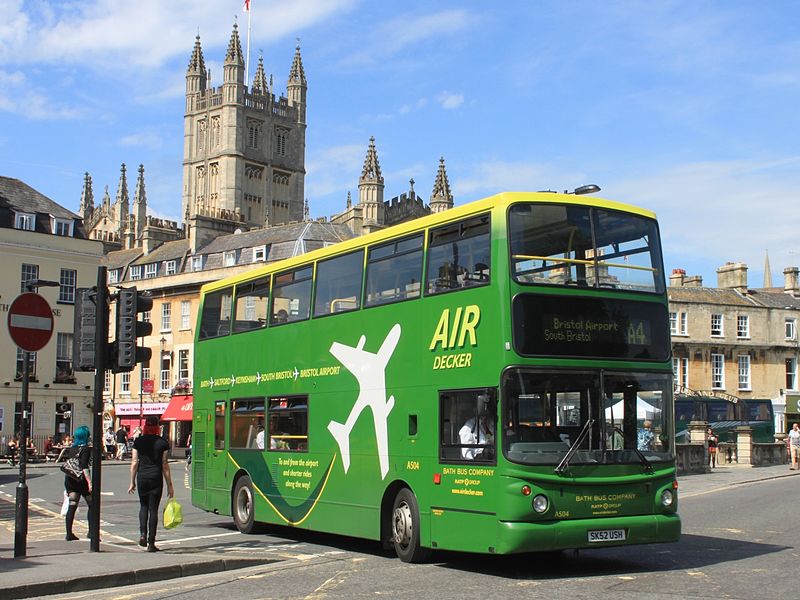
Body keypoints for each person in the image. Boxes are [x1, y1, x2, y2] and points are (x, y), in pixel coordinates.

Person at [128, 416, 174, 552]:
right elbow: (165, 465)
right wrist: (170, 485)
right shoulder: (162, 443)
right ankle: (151, 543)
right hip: (155, 477)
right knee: (153, 509)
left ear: (145, 426)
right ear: (157, 427)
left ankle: (142, 534)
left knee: (143, 506)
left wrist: (132, 481)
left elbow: (134, 462)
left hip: (142, 477)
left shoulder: (138, 441)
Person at [64, 425, 95, 542]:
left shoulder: (72, 448)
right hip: (81, 480)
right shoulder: (86, 449)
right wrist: (90, 482)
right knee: (91, 504)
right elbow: (84, 466)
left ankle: (69, 533)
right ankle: (91, 532)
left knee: (72, 505)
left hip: (70, 479)